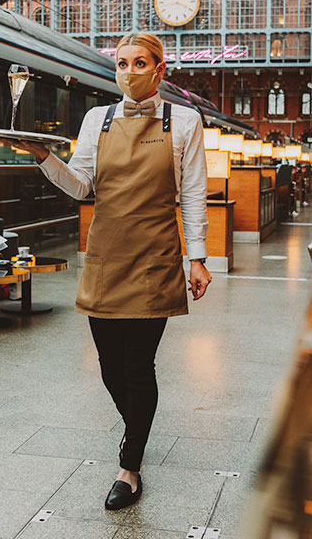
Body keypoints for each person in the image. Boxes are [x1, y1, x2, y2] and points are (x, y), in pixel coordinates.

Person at [11, 32, 212, 511]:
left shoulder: (184, 121)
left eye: (139, 63)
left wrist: (198, 257)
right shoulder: (96, 120)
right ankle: (136, 425)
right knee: (108, 366)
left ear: (159, 69)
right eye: (121, 63)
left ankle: (130, 465)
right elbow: (83, 188)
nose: (128, 71)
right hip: (105, 256)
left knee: (138, 365)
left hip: (155, 258)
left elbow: (193, 194)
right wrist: (44, 157)